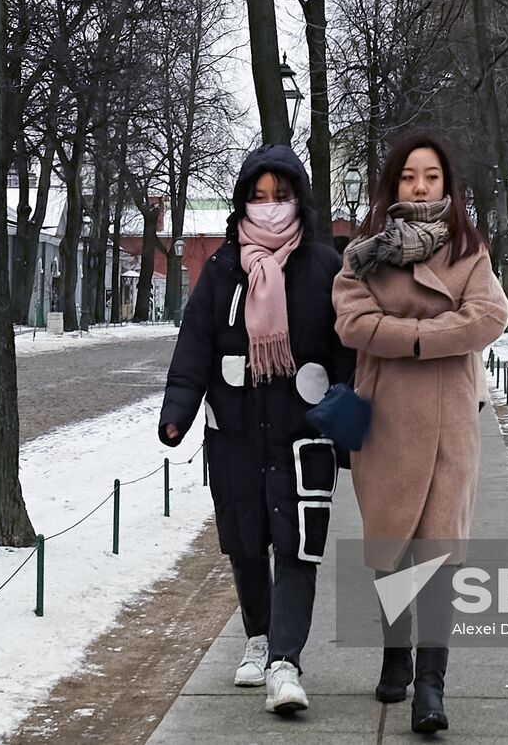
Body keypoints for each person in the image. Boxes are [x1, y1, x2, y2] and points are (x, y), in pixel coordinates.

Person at [158, 145, 354, 716]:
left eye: (281, 196)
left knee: (298, 547)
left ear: (300, 200)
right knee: (245, 543)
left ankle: (286, 664)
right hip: (237, 431)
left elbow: (347, 356)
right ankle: (258, 636)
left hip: (302, 433)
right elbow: (194, 344)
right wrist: (178, 410)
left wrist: (348, 429)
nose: (270, 208)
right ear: (243, 202)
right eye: (259, 197)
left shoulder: (324, 266)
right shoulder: (222, 269)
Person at [333, 133, 508, 734]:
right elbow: (352, 323)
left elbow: (489, 315)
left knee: (438, 551)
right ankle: (394, 655)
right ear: (393, 185)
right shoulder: (364, 252)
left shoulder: (468, 248)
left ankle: (431, 684)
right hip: (385, 419)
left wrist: (407, 334)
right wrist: (432, 333)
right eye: (409, 176)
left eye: (432, 177)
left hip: (452, 423)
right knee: (392, 547)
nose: (421, 187)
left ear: (448, 186)